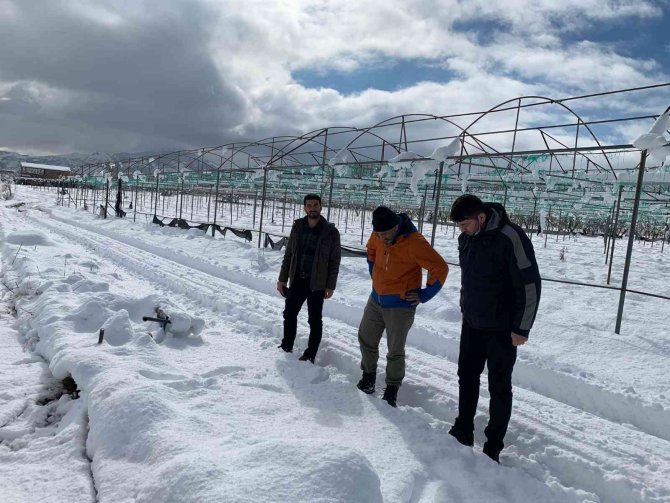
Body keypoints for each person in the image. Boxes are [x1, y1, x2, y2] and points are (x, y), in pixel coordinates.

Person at [447, 194, 541, 463]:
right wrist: (466, 308)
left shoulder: (510, 237)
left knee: (499, 386)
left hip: (502, 328)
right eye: (459, 226)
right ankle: (463, 428)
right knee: (466, 375)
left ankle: (493, 445)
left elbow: (529, 285)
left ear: (481, 217)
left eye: (465, 224)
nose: (461, 230)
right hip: (473, 322)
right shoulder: (466, 238)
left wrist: (521, 328)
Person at [356, 206, 448, 407]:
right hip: (376, 299)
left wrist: (425, 294)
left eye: (386, 233)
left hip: (400, 305)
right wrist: (373, 270)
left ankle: (392, 388)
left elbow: (439, 267)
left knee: (395, 349)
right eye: (378, 234)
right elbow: (371, 250)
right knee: (366, 337)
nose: (382, 238)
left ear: (396, 226)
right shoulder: (378, 235)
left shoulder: (415, 242)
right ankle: (369, 376)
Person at [277, 194, 341, 363]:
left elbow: (334, 261)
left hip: (317, 284)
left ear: (321, 207)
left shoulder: (331, 232)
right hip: (298, 278)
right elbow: (289, 254)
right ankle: (287, 345)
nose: (312, 208)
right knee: (289, 313)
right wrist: (282, 279)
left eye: (315, 205)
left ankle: (310, 354)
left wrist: (330, 285)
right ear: (304, 207)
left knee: (314, 319)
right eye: (309, 205)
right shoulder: (298, 227)